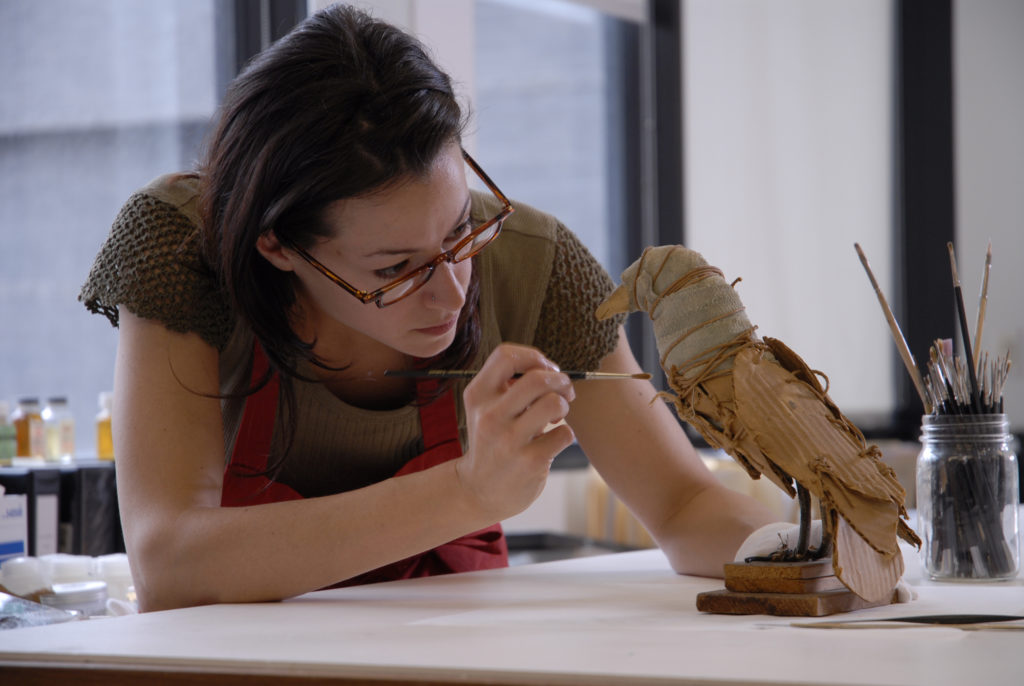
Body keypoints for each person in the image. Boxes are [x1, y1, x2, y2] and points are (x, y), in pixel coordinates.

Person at [79, 3, 777, 612]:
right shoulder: (178, 243)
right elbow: (171, 563)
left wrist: (819, 550)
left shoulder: (536, 261)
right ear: (277, 246)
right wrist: (470, 493)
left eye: (458, 233)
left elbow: (684, 505)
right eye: (395, 269)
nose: (453, 292)